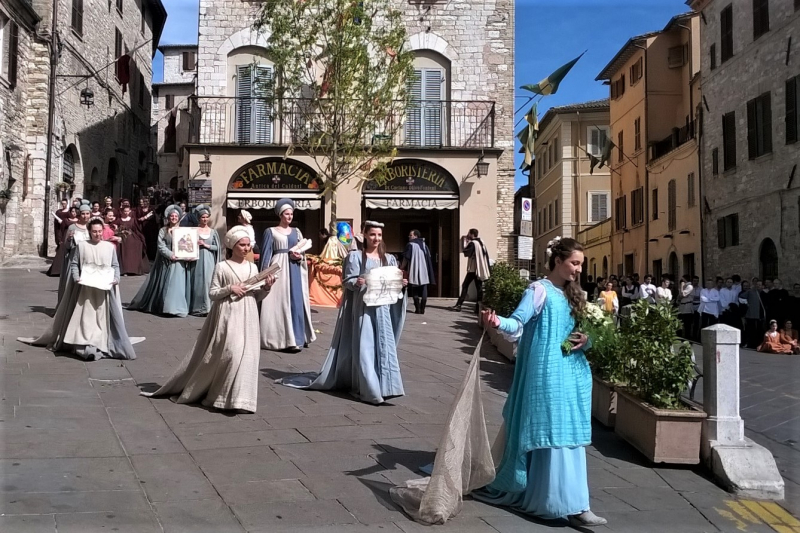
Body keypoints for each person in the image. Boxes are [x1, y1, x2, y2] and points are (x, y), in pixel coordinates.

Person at [477, 237, 606, 527]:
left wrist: (586, 340)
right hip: (546, 372)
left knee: (570, 433)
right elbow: (518, 323)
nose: (578, 270)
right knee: (550, 432)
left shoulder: (575, 295)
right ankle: (556, 501)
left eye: (581, 264)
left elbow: (587, 334)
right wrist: (498, 323)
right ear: (558, 261)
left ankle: (577, 503)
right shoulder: (538, 290)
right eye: (575, 263)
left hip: (572, 373)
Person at [141, 227, 276, 412]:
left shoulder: (253, 267)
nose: (246, 248)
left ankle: (239, 400)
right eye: (242, 245)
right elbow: (212, 293)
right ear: (232, 245)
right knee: (231, 353)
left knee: (248, 356)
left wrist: (266, 288)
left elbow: (256, 296)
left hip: (249, 314)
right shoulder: (222, 266)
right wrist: (230, 289)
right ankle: (217, 395)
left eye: (248, 245)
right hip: (228, 314)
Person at [279, 221, 408, 404]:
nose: (376, 239)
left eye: (379, 235)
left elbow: (392, 287)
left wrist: (400, 285)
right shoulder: (355, 257)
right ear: (364, 235)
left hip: (383, 312)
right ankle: (370, 390)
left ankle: (387, 386)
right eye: (372, 235)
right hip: (363, 310)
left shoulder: (389, 259)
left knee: (384, 348)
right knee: (365, 348)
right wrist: (357, 282)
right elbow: (347, 281)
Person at [18, 218, 140, 360]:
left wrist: (116, 279)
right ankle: (84, 343)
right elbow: (75, 264)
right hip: (85, 290)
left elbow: (115, 266)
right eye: (94, 231)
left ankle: (100, 342)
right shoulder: (82, 246)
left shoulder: (109, 247)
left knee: (101, 317)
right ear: (89, 232)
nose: (97, 234)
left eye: (100, 231)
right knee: (86, 318)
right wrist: (76, 277)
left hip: (103, 291)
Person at [258, 198, 315, 352]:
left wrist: (300, 257)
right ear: (280, 215)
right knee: (279, 302)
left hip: (294, 268)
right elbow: (266, 254)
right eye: (286, 214)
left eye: (291, 214)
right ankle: (280, 338)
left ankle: (298, 337)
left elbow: (302, 250)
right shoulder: (270, 231)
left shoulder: (296, 232)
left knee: (296, 301)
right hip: (279, 267)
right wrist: (264, 274)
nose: (289, 217)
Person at [128, 205, 194, 317]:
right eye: (171, 216)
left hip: (180, 262)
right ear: (168, 218)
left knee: (178, 284)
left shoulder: (184, 231)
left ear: (179, 218)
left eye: (175, 216)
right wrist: (170, 255)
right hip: (167, 261)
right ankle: (166, 306)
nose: (173, 218)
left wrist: (190, 251)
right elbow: (161, 245)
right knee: (168, 283)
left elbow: (188, 245)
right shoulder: (163, 230)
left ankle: (176, 307)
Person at [188, 205, 223, 316]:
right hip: (196, 259)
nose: (205, 219)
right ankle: (197, 307)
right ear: (199, 218)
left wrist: (206, 245)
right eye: (203, 217)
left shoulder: (213, 232)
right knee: (197, 282)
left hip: (208, 259)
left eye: (206, 217)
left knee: (208, 281)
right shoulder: (193, 231)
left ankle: (209, 307)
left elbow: (216, 247)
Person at [56, 204, 93, 303]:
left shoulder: (91, 228)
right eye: (83, 214)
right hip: (74, 259)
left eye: (87, 214)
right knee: (71, 285)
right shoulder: (72, 227)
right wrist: (69, 239)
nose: (85, 216)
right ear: (79, 214)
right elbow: (67, 247)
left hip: (88, 260)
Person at [450, 229, 491, 313]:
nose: (468, 235)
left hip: (473, 269)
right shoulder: (482, 242)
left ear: (472, 234)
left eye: (469, 233)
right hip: (479, 269)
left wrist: (467, 245)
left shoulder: (473, 243)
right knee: (479, 288)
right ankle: (478, 308)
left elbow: (467, 253)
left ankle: (459, 305)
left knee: (465, 285)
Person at [401, 229, 435, 314]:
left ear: (416, 236)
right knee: (424, 288)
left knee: (414, 288)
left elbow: (406, 258)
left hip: (414, 269)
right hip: (424, 270)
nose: (409, 236)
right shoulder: (424, 245)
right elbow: (428, 258)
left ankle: (417, 309)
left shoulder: (410, 245)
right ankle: (422, 309)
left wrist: (401, 267)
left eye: (411, 235)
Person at [116, 205, 150, 276]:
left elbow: (136, 230)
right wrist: (120, 232)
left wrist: (140, 238)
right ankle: (125, 270)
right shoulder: (119, 220)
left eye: (127, 211)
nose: (126, 213)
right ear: (122, 212)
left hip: (132, 237)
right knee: (123, 252)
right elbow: (116, 229)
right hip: (123, 238)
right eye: (125, 211)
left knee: (137, 245)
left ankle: (135, 270)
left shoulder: (133, 219)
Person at [47, 206, 79, 277]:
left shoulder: (79, 220)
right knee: (62, 254)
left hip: (76, 238)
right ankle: (57, 271)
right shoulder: (66, 220)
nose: (74, 213)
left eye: (75, 212)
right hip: (66, 237)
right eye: (72, 211)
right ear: (70, 212)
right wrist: (60, 239)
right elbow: (61, 230)